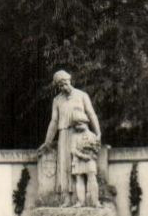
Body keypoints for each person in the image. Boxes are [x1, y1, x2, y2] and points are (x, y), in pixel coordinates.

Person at [40, 70, 107, 208]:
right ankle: (66, 199)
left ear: (70, 80)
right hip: (64, 134)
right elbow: (53, 121)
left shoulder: (82, 95)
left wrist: (98, 133)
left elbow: (91, 114)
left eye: (65, 83)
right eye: (60, 85)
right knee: (64, 165)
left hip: (80, 134)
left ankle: (81, 199)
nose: (64, 87)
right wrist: (47, 142)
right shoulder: (57, 100)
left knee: (81, 168)